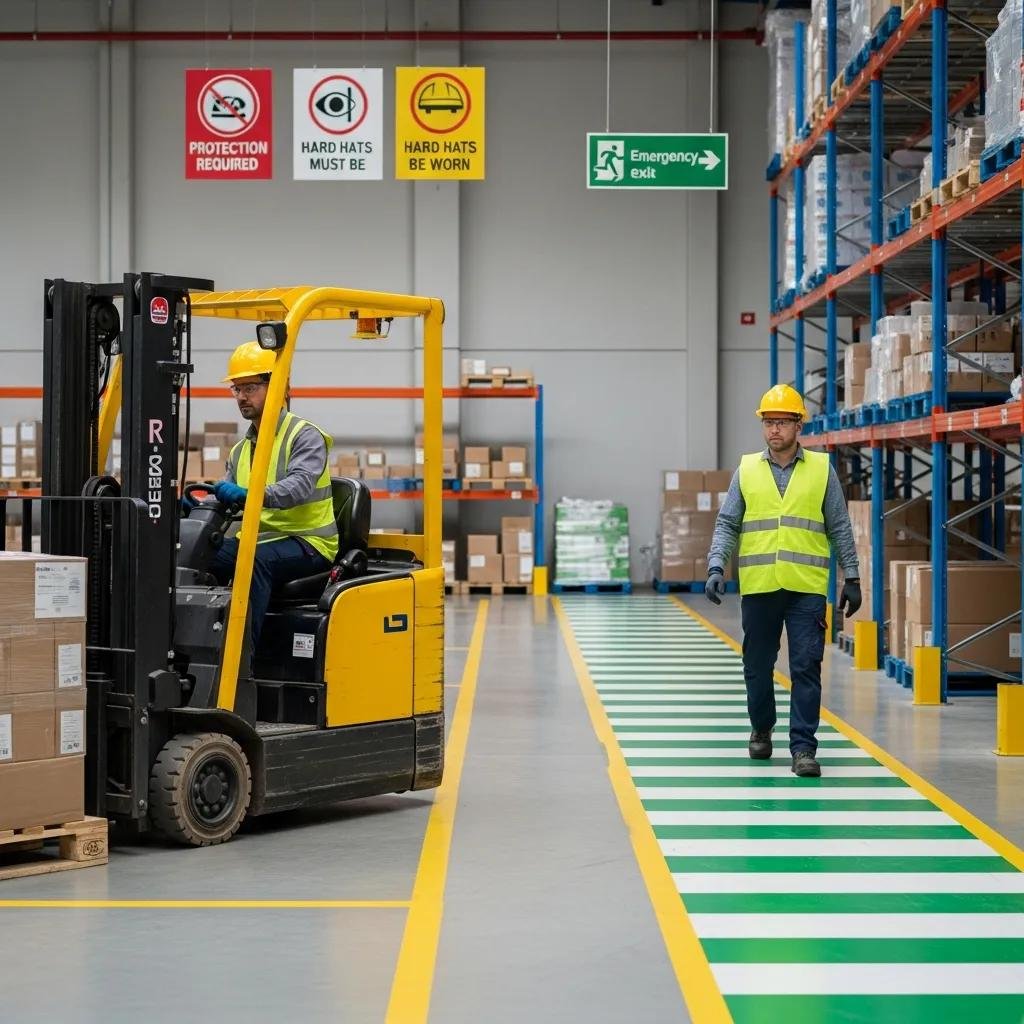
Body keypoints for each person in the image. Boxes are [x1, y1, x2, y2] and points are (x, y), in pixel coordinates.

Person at [704, 384, 861, 778]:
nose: (774, 429)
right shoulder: (747, 469)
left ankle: (804, 749)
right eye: (769, 422)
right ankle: (761, 726)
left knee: (806, 666)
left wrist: (852, 576)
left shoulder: (823, 471)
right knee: (757, 667)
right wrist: (715, 566)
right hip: (759, 586)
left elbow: (839, 526)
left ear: (798, 426)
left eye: (782, 422)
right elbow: (728, 523)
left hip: (806, 586)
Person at [187, 341, 339, 646]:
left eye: (250, 387)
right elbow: (224, 496)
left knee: (254, 558)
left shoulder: (304, 436)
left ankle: (242, 662)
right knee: (193, 549)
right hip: (259, 539)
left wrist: (248, 495)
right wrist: (193, 510)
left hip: (308, 542)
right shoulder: (241, 449)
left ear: (280, 385)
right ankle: (197, 645)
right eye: (237, 389)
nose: (242, 396)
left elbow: (297, 487)